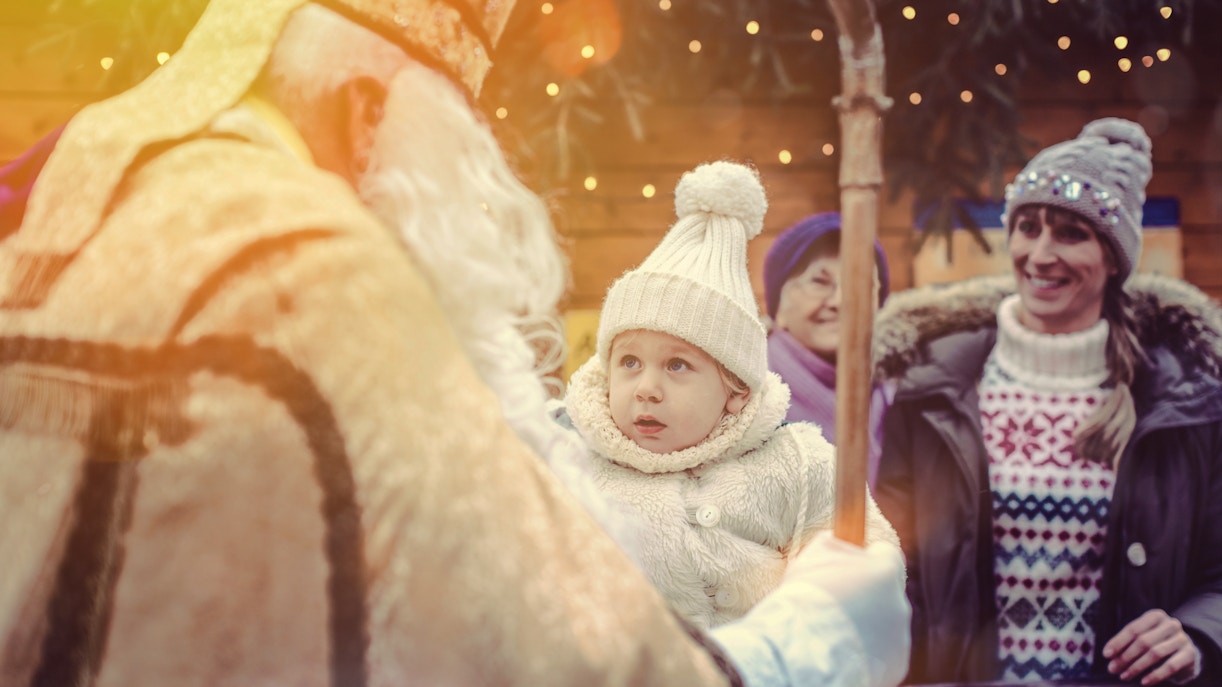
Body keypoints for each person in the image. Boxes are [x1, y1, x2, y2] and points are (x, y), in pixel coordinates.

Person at [0, 1, 911, 685]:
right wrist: (817, 638)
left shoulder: (96, 211)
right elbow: (544, 652)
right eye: (446, 131)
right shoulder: (314, 268)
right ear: (365, 112)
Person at [873, 118, 1222, 685]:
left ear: (1114, 257)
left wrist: (1198, 631)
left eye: (1070, 233)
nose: (1039, 253)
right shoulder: (935, 387)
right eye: (1027, 227)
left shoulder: (1183, 400)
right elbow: (890, 563)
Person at [561, 161, 900, 630]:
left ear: (736, 391)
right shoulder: (572, 462)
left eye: (677, 365)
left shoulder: (799, 467)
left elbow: (859, 571)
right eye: (629, 362)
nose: (646, 389)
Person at [763, 212, 893, 487]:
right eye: (819, 282)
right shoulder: (742, 391)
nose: (839, 300)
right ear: (779, 309)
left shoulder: (906, 392)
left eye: (858, 283)